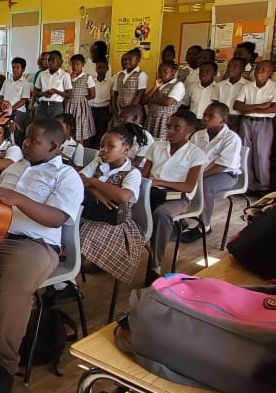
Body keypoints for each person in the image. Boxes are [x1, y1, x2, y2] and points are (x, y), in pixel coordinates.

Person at [0, 117, 84, 393]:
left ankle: (3, 364)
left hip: (35, 245)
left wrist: (18, 199)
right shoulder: (14, 168)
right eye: (25, 138)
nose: (25, 143)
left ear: (53, 145)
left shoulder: (67, 177)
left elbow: (57, 218)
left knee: (13, 290)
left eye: (33, 140)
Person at [142, 110, 206, 283]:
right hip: (151, 192)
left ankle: (155, 265)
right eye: (168, 126)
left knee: (162, 213)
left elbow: (189, 186)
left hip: (179, 198)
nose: (170, 131)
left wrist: (159, 182)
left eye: (177, 128)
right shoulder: (157, 146)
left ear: (189, 130)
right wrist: (150, 183)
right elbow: (144, 175)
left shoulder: (196, 154)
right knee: (122, 204)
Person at [80, 123, 147, 286]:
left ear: (125, 149)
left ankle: (67, 282)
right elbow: (78, 179)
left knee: (82, 238)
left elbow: (123, 196)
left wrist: (93, 182)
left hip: (116, 222)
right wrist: (96, 192)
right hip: (90, 213)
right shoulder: (98, 162)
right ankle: (62, 279)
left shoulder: (133, 173)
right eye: (102, 145)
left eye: (110, 146)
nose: (103, 150)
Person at [182, 102, 243, 243]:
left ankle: (204, 227)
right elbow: (189, 156)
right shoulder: (198, 135)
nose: (205, 118)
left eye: (210, 116)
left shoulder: (231, 138)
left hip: (226, 174)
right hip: (201, 172)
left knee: (204, 187)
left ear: (223, 120)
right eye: (204, 115)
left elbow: (221, 166)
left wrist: (197, 177)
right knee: (176, 181)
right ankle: (180, 220)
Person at [233, 61, 276, 192]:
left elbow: (274, 109)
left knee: (262, 154)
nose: (259, 72)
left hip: (264, 123)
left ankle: (263, 186)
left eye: (264, 69)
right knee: (245, 153)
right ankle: (247, 184)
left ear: (271, 73)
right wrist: (260, 106)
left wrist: (249, 109)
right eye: (257, 69)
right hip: (246, 121)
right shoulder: (247, 86)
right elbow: (237, 106)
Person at [142, 61, 186, 140]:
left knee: (161, 142)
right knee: (149, 141)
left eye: (165, 71)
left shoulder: (178, 85)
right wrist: (155, 87)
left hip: (165, 120)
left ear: (173, 72)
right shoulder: (159, 85)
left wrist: (151, 100)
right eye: (160, 72)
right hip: (152, 118)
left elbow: (168, 102)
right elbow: (144, 101)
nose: (162, 74)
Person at [66, 54, 96, 144]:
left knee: (80, 129)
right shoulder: (68, 77)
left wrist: (80, 99)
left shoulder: (87, 77)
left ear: (83, 64)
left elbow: (92, 95)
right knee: (70, 127)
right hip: (69, 105)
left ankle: (80, 147)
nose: (75, 67)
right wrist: (70, 79)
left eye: (77, 64)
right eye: (73, 64)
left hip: (81, 107)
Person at [34, 51, 71, 118]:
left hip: (57, 106)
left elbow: (69, 95)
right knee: (40, 124)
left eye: (53, 60)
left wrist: (56, 91)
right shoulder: (41, 74)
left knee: (54, 124)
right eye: (49, 60)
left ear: (60, 61)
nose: (50, 62)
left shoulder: (65, 75)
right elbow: (35, 92)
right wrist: (44, 94)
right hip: (43, 105)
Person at [0, 57, 34, 129]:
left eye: (18, 67)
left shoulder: (25, 83)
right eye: (13, 67)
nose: (15, 70)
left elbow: (23, 100)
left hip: (18, 111)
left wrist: (11, 109)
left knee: (15, 131)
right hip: (5, 110)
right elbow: (2, 96)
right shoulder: (7, 81)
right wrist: (4, 106)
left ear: (23, 69)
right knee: (2, 129)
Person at [214, 58, 246, 134]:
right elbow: (216, 102)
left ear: (242, 69)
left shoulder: (247, 85)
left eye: (235, 67)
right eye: (229, 66)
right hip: (221, 117)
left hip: (238, 118)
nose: (230, 69)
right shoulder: (220, 85)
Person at [111, 49, 148, 114]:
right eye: (125, 59)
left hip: (133, 111)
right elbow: (115, 93)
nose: (127, 62)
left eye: (130, 59)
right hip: (119, 109)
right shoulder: (119, 75)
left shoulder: (141, 75)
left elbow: (139, 95)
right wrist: (114, 108)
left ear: (138, 60)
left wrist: (129, 111)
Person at [87, 58, 112, 149]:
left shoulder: (110, 83)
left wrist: (111, 112)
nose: (101, 70)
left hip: (103, 111)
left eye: (103, 67)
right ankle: (88, 150)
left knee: (101, 133)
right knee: (89, 132)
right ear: (96, 69)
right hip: (90, 110)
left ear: (107, 69)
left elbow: (113, 97)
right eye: (99, 67)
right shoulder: (90, 81)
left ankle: (97, 152)